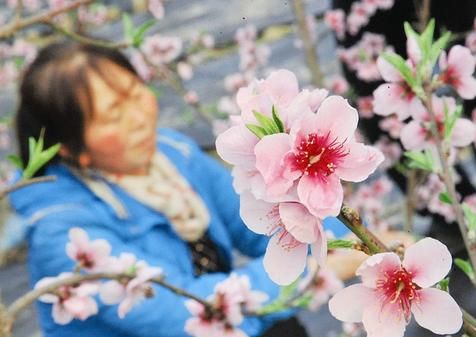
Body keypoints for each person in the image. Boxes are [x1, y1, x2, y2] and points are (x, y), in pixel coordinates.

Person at [9, 42, 342, 337]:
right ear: (70, 147)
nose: (138, 117)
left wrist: (345, 241)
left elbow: (260, 222)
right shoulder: (64, 235)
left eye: (134, 92)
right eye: (113, 114)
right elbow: (182, 318)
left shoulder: (172, 153)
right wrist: (315, 272)